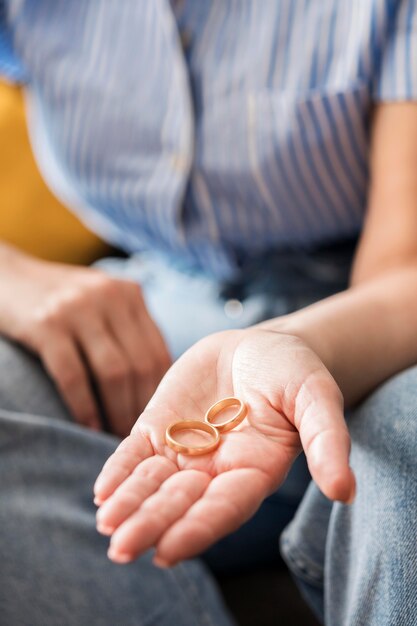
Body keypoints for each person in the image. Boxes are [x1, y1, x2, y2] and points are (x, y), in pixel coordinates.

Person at [1, 1, 417, 625]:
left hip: (368, 320)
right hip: (159, 297)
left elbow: (402, 268)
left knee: (400, 470)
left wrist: (292, 342)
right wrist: (15, 278)